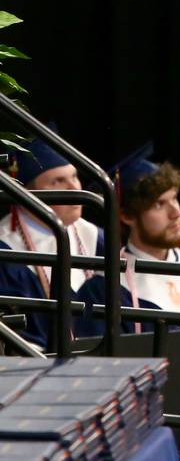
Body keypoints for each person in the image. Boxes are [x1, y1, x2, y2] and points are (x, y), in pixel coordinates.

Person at [75, 143, 180, 336]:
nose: (176, 213)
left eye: (175, 198)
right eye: (159, 204)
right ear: (127, 216)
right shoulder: (105, 290)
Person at [0, 132, 103, 349]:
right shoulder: (7, 248)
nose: (75, 188)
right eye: (58, 181)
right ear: (28, 192)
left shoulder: (97, 238)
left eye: (74, 176)